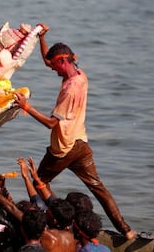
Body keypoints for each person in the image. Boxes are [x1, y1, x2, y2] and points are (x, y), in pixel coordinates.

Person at [13, 28, 136, 240]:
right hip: (81, 144)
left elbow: (52, 123)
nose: (54, 71)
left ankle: (49, 226)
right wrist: (42, 38)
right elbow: (48, 60)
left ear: (63, 61)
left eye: (55, 67)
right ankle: (127, 231)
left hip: (63, 149)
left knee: (38, 182)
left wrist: (27, 106)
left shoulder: (70, 89)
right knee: (98, 188)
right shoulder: (80, 75)